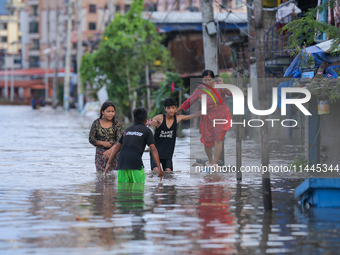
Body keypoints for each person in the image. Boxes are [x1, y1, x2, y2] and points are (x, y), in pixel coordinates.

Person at [176, 70, 232, 168]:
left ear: (213, 80)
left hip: (221, 116)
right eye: (205, 80)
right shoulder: (200, 89)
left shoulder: (220, 86)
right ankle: (210, 161)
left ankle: (215, 164)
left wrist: (224, 85)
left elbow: (230, 93)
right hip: (207, 117)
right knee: (207, 142)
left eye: (209, 80)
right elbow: (190, 100)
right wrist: (178, 110)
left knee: (218, 139)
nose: (207, 82)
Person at [104, 107, 163, 182]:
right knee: (138, 190)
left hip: (121, 164)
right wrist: (159, 168)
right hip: (135, 165)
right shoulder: (147, 131)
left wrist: (108, 163)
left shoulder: (127, 130)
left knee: (122, 191)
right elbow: (153, 149)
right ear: (146, 120)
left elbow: (117, 147)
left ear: (134, 120)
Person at [147, 97, 201, 172]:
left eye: (173, 108)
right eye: (168, 108)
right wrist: (152, 123)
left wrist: (204, 111)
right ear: (165, 109)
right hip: (156, 153)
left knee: (169, 174)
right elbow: (151, 123)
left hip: (168, 155)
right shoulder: (159, 118)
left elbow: (193, 115)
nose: (171, 110)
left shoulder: (178, 118)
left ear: (176, 108)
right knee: (156, 171)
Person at [89, 101, 122, 172]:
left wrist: (111, 151)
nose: (111, 113)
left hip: (114, 153)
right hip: (100, 154)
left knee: (113, 176)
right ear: (102, 112)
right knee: (101, 176)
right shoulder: (96, 123)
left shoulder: (117, 124)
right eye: (108, 111)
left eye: (112, 111)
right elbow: (91, 138)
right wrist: (103, 143)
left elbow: (120, 140)